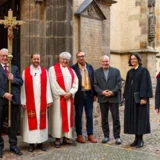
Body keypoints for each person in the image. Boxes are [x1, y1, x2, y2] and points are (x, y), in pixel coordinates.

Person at [21, 53, 53, 152]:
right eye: (34, 59)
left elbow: (47, 86)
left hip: (41, 101)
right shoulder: (25, 72)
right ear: (31, 59)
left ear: (40, 60)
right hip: (30, 102)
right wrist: (23, 100)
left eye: (38, 59)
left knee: (41, 122)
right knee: (30, 122)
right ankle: (31, 144)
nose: (36, 61)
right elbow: (23, 88)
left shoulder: (44, 71)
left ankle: (40, 143)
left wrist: (48, 99)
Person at [48, 51, 78, 148]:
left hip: (68, 99)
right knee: (58, 118)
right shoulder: (53, 69)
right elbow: (53, 83)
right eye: (63, 59)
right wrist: (63, 93)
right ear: (59, 59)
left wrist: (70, 93)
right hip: (59, 99)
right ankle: (57, 138)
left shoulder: (71, 71)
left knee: (68, 118)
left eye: (67, 59)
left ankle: (66, 137)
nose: (65, 61)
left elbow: (75, 83)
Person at [124, 53, 152, 148]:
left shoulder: (144, 71)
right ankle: (136, 139)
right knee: (133, 119)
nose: (133, 60)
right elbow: (127, 86)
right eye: (131, 59)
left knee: (140, 119)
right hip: (131, 100)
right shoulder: (130, 72)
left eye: (135, 58)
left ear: (138, 60)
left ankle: (141, 139)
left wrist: (144, 98)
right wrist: (126, 98)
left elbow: (146, 85)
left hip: (141, 100)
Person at [0, 48, 23, 158]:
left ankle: (13, 145)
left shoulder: (14, 68)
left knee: (13, 125)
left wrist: (13, 79)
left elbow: (21, 82)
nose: (5, 58)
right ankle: (0, 147)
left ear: (10, 57)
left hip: (13, 101)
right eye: (2, 56)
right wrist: (4, 94)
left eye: (6, 56)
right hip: (1, 101)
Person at [94, 55, 121, 144]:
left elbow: (119, 84)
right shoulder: (96, 72)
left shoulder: (116, 71)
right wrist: (102, 92)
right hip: (103, 98)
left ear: (109, 61)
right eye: (103, 61)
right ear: (101, 62)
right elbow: (95, 85)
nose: (105, 63)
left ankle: (117, 137)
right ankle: (106, 136)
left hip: (113, 98)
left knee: (115, 118)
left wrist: (112, 92)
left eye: (107, 61)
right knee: (104, 118)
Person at [71, 51, 97, 143]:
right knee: (78, 115)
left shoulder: (90, 67)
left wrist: (94, 94)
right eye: (79, 56)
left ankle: (90, 134)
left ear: (85, 57)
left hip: (89, 95)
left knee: (89, 115)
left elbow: (93, 80)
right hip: (79, 95)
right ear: (77, 58)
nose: (81, 58)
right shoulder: (73, 68)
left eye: (82, 56)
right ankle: (79, 135)